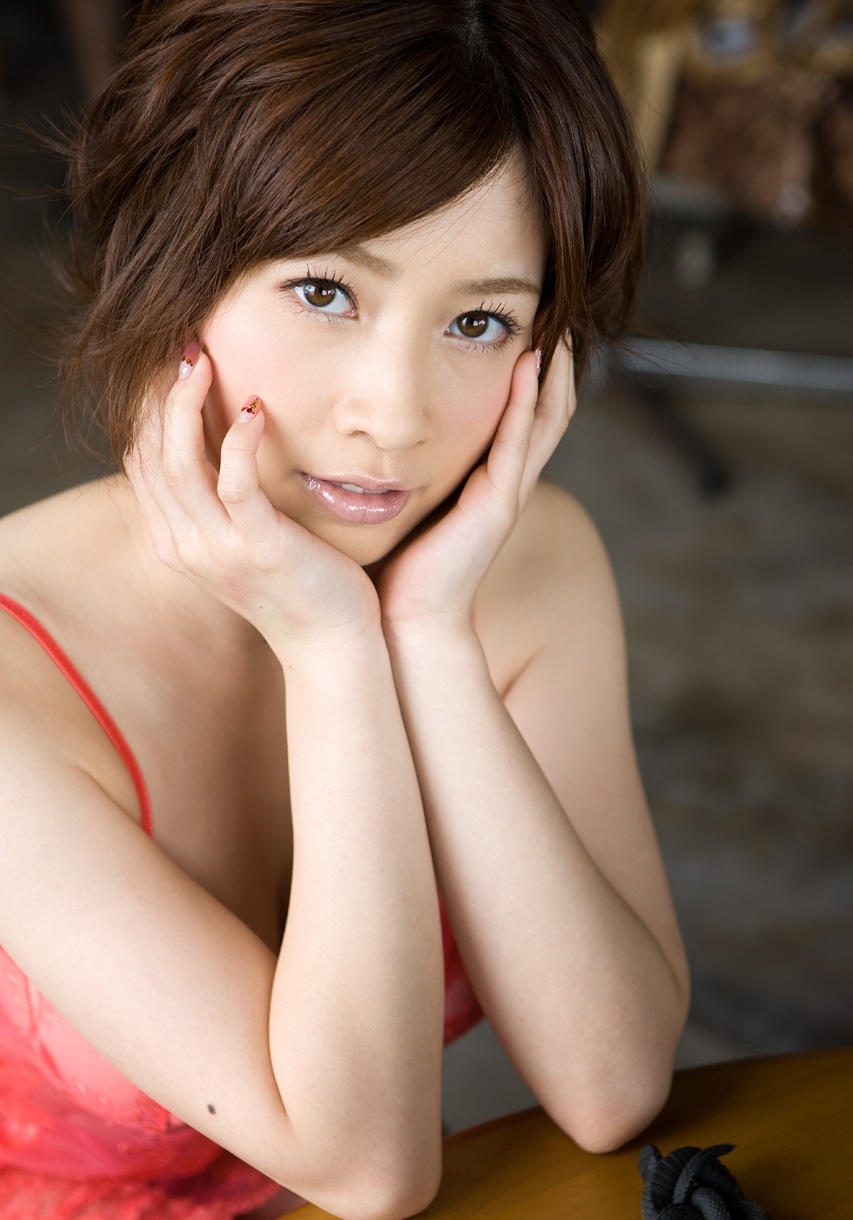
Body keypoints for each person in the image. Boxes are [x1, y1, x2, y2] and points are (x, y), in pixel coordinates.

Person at [0, 0, 690, 1216]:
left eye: (477, 321)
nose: (394, 413)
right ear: (175, 262)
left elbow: (612, 1080)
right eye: (324, 291)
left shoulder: (524, 569)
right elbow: (371, 1167)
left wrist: (418, 634)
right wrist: (328, 644)